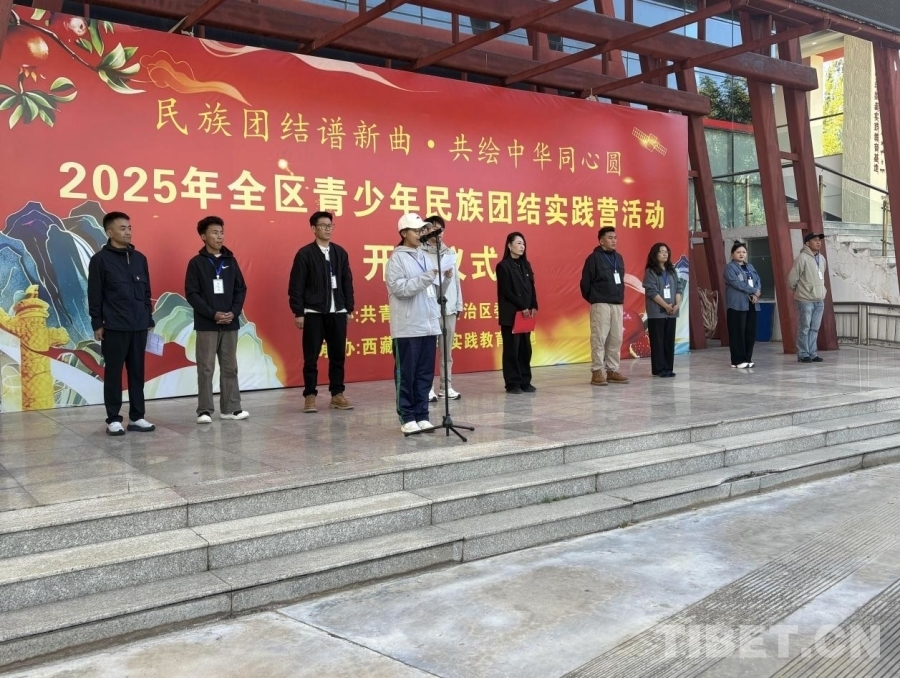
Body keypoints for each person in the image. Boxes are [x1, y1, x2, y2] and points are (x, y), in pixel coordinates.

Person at [87, 211, 156, 436]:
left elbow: (146, 293)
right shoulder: (100, 260)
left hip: (139, 326)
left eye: (129, 228)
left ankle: (137, 417)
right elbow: (94, 294)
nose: (128, 232)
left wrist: (148, 318)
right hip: (114, 326)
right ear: (110, 232)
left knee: (137, 373)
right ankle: (114, 419)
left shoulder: (139, 259)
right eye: (122, 228)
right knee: (114, 374)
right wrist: (97, 323)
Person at [288, 210, 355, 413]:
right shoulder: (305, 254)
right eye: (323, 226)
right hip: (313, 313)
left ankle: (337, 394)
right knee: (311, 358)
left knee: (338, 356)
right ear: (313, 228)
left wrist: (348, 308)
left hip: (338, 312)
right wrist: (299, 312)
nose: (328, 229)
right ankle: (310, 395)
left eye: (330, 225)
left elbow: (347, 282)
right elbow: (296, 285)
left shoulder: (340, 253)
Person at [185, 216, 249, 424]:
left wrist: (233, 312)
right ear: (203, 236)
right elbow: (192, 294)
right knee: (206, 368)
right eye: (214, 232)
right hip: (207, 323)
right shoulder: (196, 263)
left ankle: (231, 408)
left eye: (221, 232)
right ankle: (204, 410)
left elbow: (241, 289)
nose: (220, 236)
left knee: (230, 367)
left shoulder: (231, 261)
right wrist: (213, 314)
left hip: (230, 322)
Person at [387, 213, 442, 434]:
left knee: (425, 374)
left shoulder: (425, 257)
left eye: (422, 230)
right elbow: (400, 289)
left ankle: (422, 414)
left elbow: (433, 290)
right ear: (403, 233)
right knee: (407, 374)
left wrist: (444, 277)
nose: (421, 234)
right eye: (416, 230)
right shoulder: (396, 259)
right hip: (408, 327)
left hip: (428, 325)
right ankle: (407, 416)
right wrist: (427, 277)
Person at [421, 215, 463, 402]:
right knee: (428, 352)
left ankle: (446, 387)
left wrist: (458, 304)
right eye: (433, 228)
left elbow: (456, 281)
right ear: (425, 230)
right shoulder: (420, 252)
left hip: (449, 307)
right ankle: (427, 388)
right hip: (429, 308)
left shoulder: (449, 253)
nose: (437, 232)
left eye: (440, 229)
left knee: (447, 353)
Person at [580, 226, 629, 386]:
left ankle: (612, 370)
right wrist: (595, 299)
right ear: (601, 241)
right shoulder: (593, 258)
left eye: (615, 238)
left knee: (616, 338)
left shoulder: (619, 258)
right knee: (599, 337)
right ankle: (597, 371)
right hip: (600, 303)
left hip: (617, 303)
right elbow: (585, 283)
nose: (614, 240)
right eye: (610, 238)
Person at [496, 232, 538, 394]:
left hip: (526, 315)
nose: (522, 247)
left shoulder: (526, 265)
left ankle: (525, 381)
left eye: (523, 244)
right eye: (519, 243)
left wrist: (534, 305)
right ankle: (512, 383)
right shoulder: (503, 266)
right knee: (512, 350)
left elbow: (532, 287)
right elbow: (507, 291)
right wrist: (522, 306)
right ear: (509, 245)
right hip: (512, 314)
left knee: (525, 349)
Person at [642, 243, 685, 378]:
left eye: (666, 251)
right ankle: (659, 369)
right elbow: (652, 292)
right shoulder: (650, 271)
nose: (665, 254)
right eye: (661, 251)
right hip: (657, 312)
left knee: (668, 341)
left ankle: (668, 368)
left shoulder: (671, 271)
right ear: (655, 254)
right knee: (658, 341)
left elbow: (679, 288)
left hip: (672, 311)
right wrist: (666, 306)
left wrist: (677, 304)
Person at [788, 233, 828, 363]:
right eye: (815, 240)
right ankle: (803, 354)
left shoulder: (821, 259)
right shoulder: (802, 258)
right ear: (807, 243)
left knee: (814, 328)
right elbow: (792, 280)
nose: (818, 242)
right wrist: (801, 291)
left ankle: (812, 353)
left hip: (819, 299)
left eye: (819, 240)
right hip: (805, 300)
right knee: (804, 328)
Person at [723, 241, 761, 369]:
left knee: (750, 332)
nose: (741, 254)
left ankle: (747, 358)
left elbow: (758, 281)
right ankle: (737, 360)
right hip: (737, 305)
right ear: (732, 254)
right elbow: (737, 284)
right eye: (738, 252)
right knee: (737, 332)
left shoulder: (750, 266)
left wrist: (756, 293)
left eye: (744, 252)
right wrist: (753, 291)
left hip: (752, 303)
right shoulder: (729, 268)